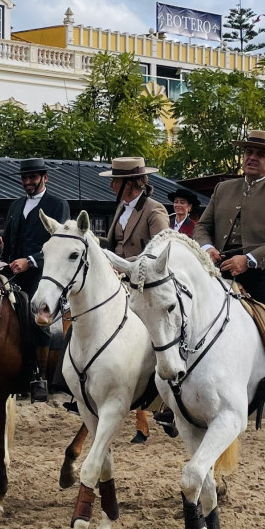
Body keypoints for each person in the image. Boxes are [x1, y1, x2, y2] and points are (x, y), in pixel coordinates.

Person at [193, 129, 265, 440]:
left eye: (260, 154)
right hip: (220, 270)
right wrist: (207, 248)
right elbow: (202, 227)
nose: (252, 158)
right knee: (181, 316)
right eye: (248, 152)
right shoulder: (223, 188)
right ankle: (172, 395)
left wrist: (249, 260)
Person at [99, 156, 172, 443]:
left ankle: (165, 400)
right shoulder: (121, 207)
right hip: (117, 279)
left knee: (155, 335)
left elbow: (161, 251)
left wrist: (123, 264)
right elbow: (113, 244)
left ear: (129, 184)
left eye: (114, 181)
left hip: (144, 284)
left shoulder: (155, 211)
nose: (111, 186)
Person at [0, 158, 70, 401]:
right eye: (25, 178)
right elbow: (8, 239)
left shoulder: (58, 205)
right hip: (12, 270)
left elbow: (61, 244)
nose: (28, 182)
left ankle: (39, 376)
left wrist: (31, 261)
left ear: (45, 177)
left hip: (43, 274)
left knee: (37, 317)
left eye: (33, 177)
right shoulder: (16, 205)